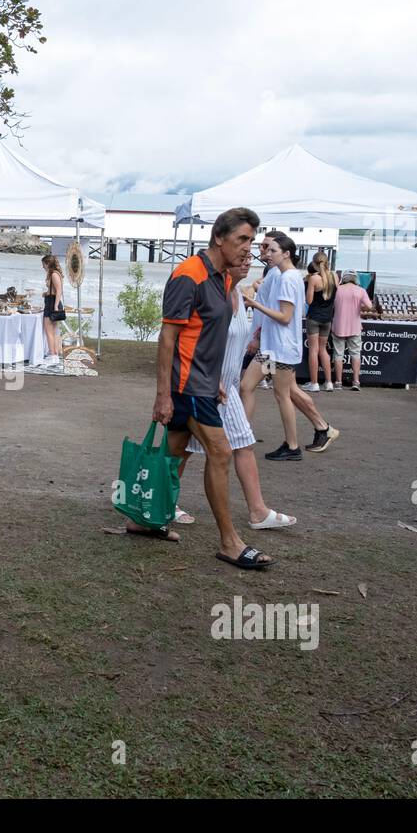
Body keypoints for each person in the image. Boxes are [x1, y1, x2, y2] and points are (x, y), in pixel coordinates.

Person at [145, 206, 275, 569]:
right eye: (242, 240)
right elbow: (167, 336)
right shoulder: (189, 275)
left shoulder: (224, 278)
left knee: (172, 457)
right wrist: (163, 394)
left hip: (204, 383)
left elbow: (212, 336)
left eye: (251, 241)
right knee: (221, 452)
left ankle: (143, 520)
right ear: (219, 237)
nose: (247, 248)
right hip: (186, 385)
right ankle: (230, 542)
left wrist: (218, 377)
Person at [182, 257, 297, 531]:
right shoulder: (213, 295)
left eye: (249, 259)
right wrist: (207, 378)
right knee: (181, 448)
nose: (248, 264)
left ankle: (258, 511)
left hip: (227, 386)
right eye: (241, 260)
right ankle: (160, 501)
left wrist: (254, 338)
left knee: (243, 443)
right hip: (205, 386)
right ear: (224, 264)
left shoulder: (239, 293)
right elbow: (191, 340)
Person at [241, 231, 339, 459]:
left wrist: (254, 304)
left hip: (281, 348)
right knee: (247, 386)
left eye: (273, 250)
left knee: (283, 394)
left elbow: (285, 316)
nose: (267, 253)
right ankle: (243, 434)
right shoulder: (285, 275)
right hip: (270, 347)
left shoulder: (288, 278)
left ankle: (293, 445)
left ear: (286, 254)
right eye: (267, 249)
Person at [330, 271, 380, 391]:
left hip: (338, 325)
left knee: (338, 354)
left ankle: (338, 382)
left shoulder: (337, 290)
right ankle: (356, 381)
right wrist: (359, 305)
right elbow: (369, 307)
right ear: (355, 279)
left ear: (344, 278)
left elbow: (331, 306)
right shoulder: (360, 290)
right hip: (355, 326)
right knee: (356, 354)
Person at [302, 251, 336, 392]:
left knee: (313, 350)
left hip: (314, 317)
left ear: (314, 264)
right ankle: (329, 382)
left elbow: (309, 301)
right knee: (323, 350)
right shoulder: (334, 276)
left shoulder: (314, 279)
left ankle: (314, 383)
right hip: (327, 318)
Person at [41, 253, 66, 366]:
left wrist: (55, 306)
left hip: (52, 303)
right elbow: (54, 290)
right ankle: (54, 354)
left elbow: (59, 290)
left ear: (47, 264)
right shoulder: (53, 274)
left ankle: (53, 356)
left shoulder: (54, 275)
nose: (42, 267)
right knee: (53, 331)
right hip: (50, 300)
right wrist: (46, 293)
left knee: (49, 331)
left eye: (43, 265)